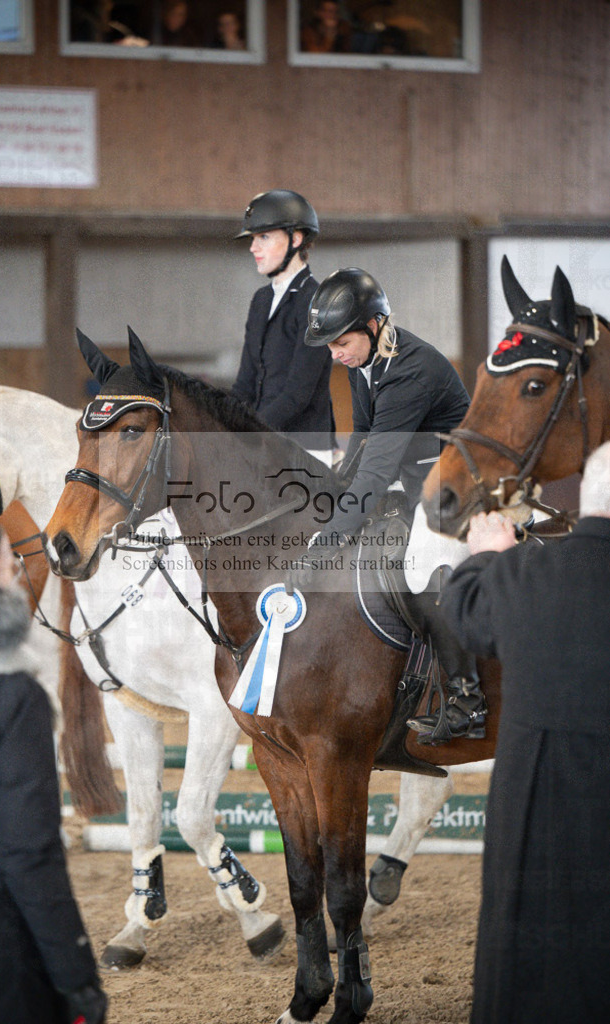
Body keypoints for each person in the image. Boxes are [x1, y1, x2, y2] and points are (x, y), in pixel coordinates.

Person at [439, 443, 610, 1023]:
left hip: (539, 829)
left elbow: (464, 609)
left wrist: (490, 557)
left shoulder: (522, 574)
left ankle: (460, 702)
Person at [0, 514, 107, 1024]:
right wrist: (76, 975)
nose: (20, 575)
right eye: (11, 563)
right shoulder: (12, 695)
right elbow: (29, 854)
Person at [303, 267, 486, 740]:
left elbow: (377, 471)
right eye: (330, 345)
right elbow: (363, 440)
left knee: (422, 567)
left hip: (456, 491)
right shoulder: (364, 363)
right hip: (414, 483)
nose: (334, 354)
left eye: (341, 342)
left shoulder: (410, 370)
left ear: (373, 325)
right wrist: (330, 492)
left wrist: (325, 543)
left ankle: (467, 701)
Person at [231, 189, 334, 466]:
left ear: (295, 239)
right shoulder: (261, 300)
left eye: (263, 237)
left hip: (303, 449)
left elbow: (298, 394)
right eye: (253, 239)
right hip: (262, 442)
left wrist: (249, 431)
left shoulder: (316, 301)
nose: (253, 248)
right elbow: (245, 384)